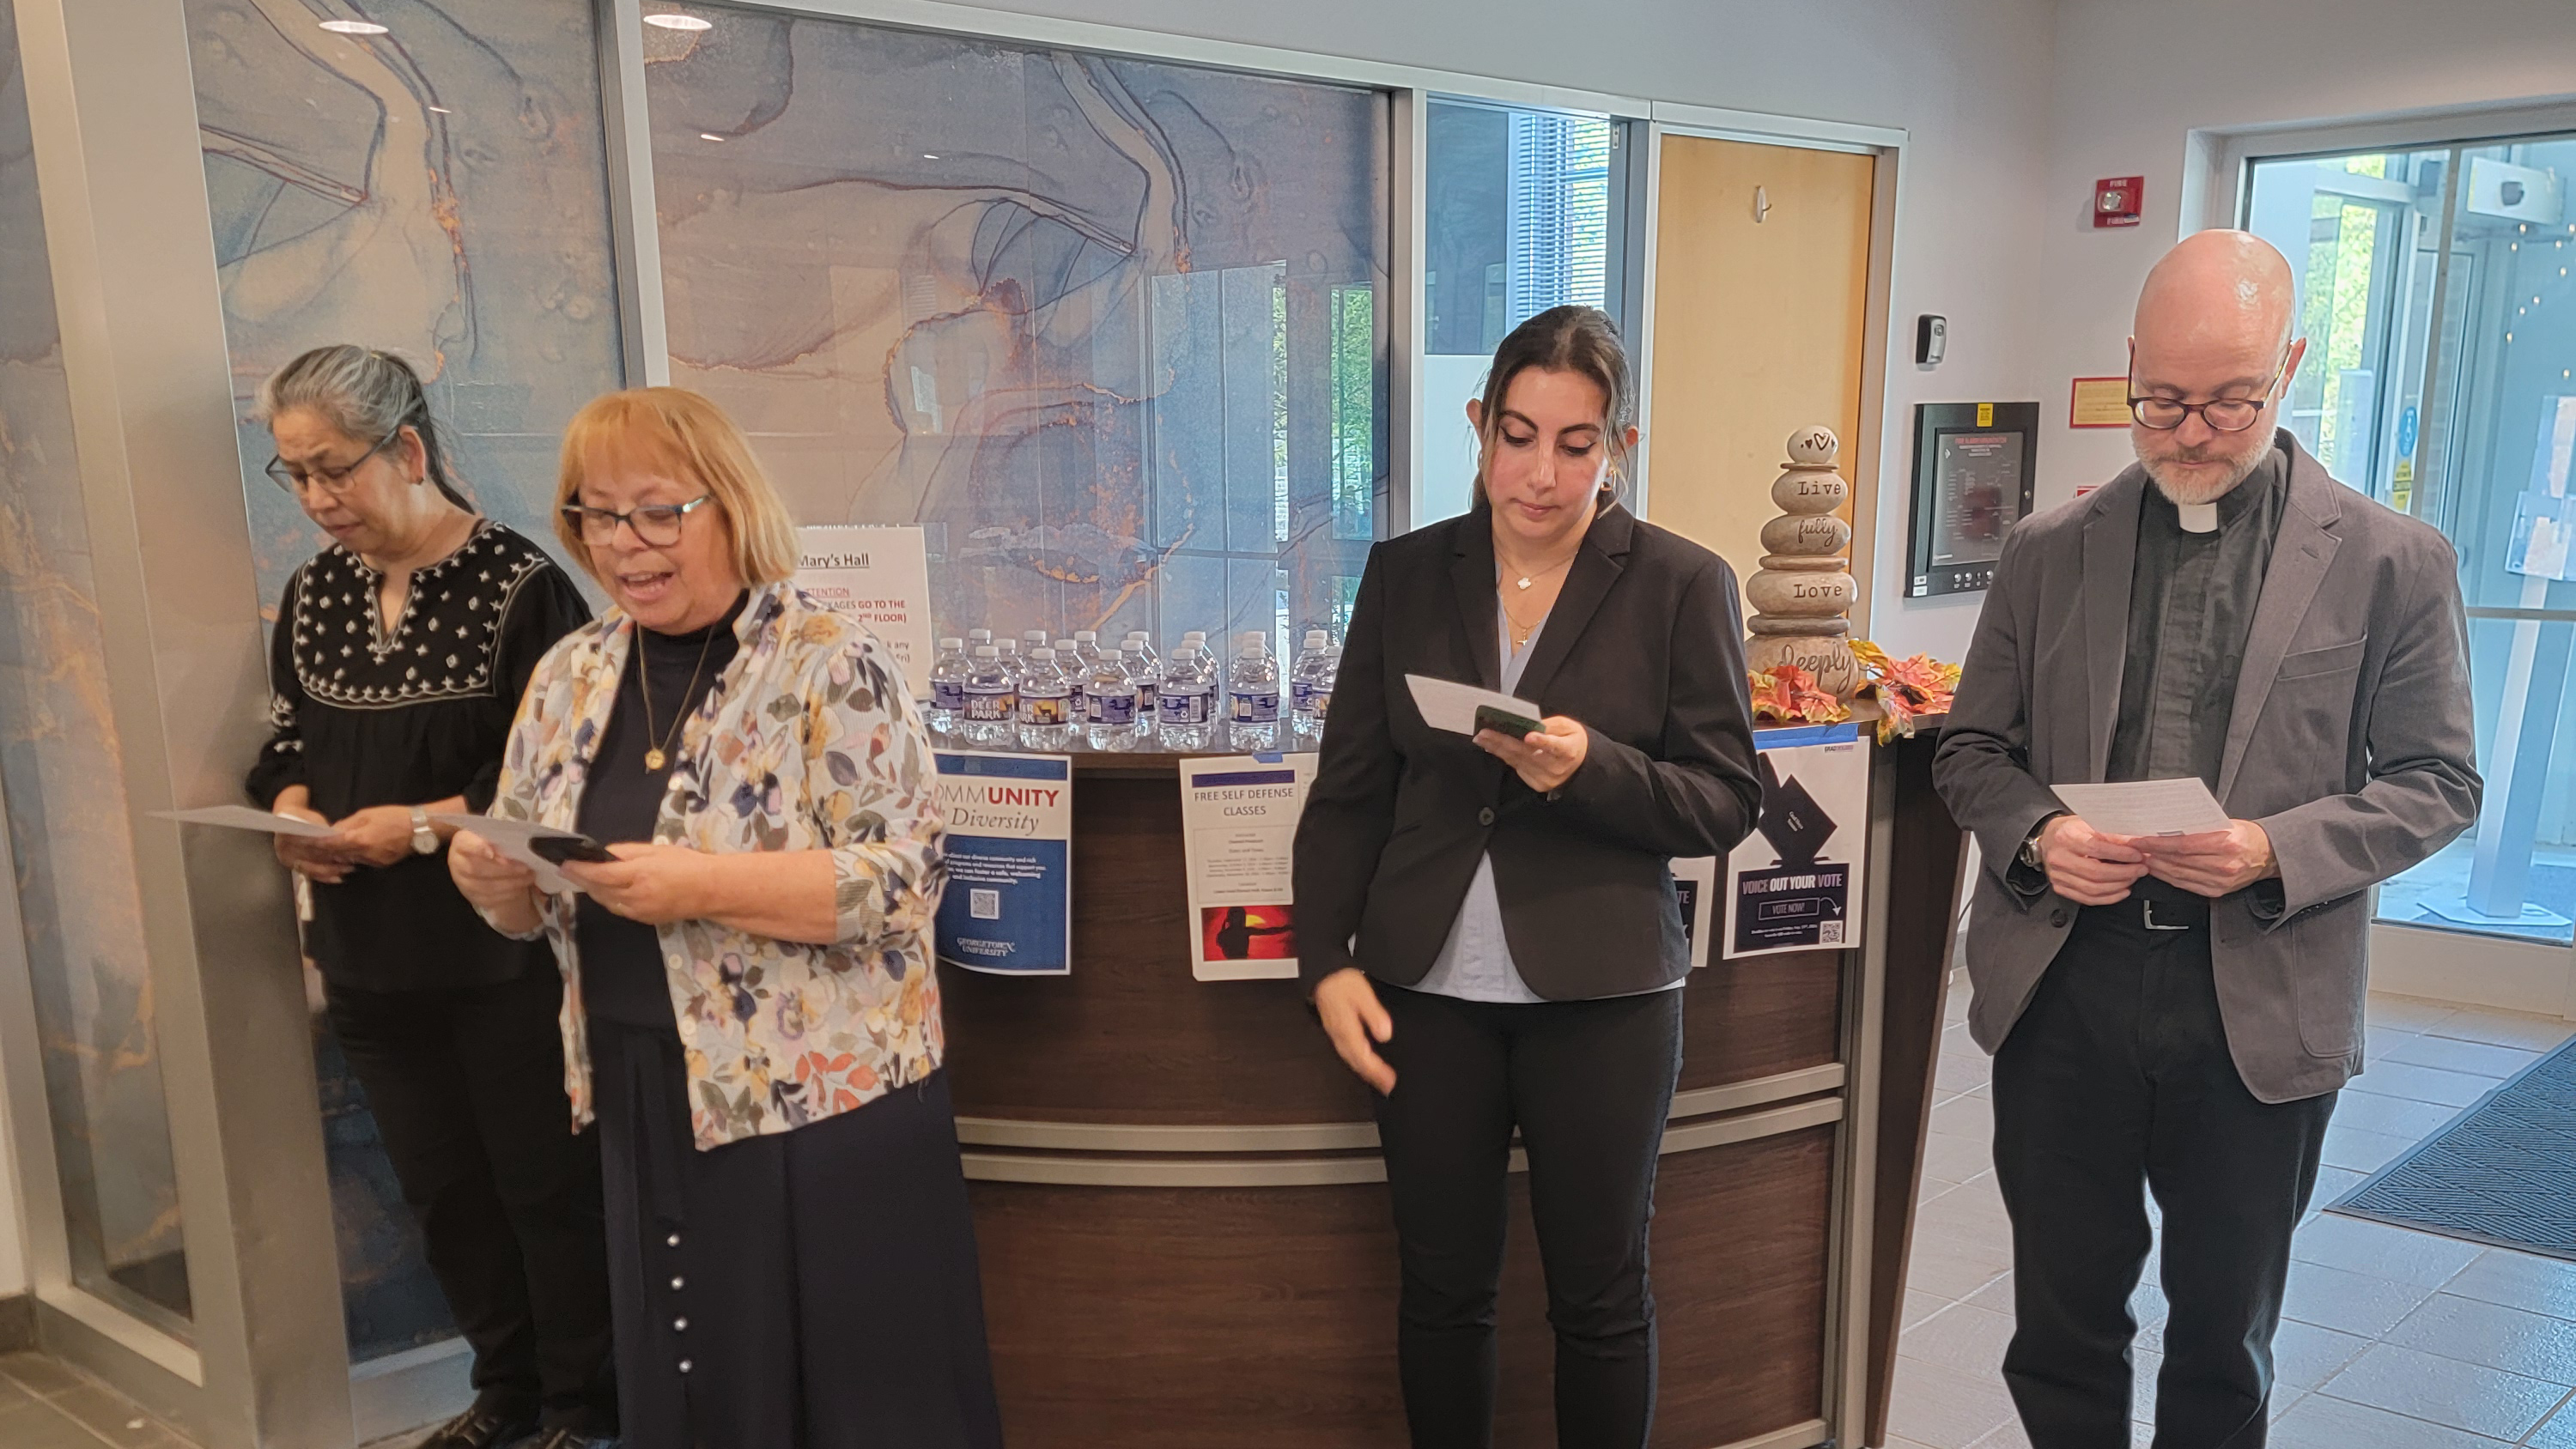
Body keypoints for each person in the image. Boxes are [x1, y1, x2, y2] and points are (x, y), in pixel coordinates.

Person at [1934, 230, 2481, 1447]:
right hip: (2065, 988)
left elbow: (2440, 782)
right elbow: (1971, 753)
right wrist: (2038, 837)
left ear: (2290, 366)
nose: (2190, 432)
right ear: (2131, 367)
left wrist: (2272, 849)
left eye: (2231, 401)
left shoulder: (2394, 562)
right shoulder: (2046, 552)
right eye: (2164, 400)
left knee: (2223, 1335)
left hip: (2258, 1000)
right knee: (2061, 1325)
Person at [447, 386, 1004, 1449]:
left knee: (852, 1393)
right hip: (643, 1076)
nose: (625, 543)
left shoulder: (829, 659)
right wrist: (496, 883)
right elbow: (532, 881)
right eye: (597, 515)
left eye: (658, 510)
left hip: (823, 1098)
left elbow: (904, 876)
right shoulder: (570, 673)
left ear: (732, 507)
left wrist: (700, 884)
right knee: (696, 1387)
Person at [1292, 306, 1763, 1449]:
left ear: (1619, 449)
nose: (1539, 474)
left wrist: (1588, 769)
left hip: (1602, 1001)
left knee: (1599, 1301)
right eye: (1517, 435)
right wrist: (1324, 959)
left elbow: (1725, 801)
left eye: (1574, 444)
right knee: (1442, 1294)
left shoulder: (1678, 585)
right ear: (1479, 426)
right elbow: (1351, 790)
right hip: (1425, 994)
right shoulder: (1407, 576)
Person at [243, 346, 614, 1449]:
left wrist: (415, 824)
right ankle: (504, 1394)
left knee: (545, 1187)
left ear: (407, 448)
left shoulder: (521, 583)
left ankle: (587, 1407)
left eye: (331, 469)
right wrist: (296, 806)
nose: (316, 499)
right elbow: (286, 739)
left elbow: (552, 774)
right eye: (293, 475)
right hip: (366, 957)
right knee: (444, 1194)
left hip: (501, 955)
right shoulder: (315, 591)